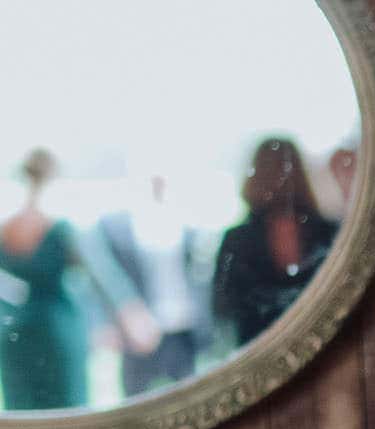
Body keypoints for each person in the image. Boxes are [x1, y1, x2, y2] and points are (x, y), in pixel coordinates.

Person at [0, 148, 159, 411]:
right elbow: (102, 275)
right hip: (58, 329)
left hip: (17, 330)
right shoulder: (62, 227)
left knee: (24, 412)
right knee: (67, 410)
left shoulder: (6, 228)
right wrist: (131, 315)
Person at [213, 137, 338, 348]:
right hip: (275, 353)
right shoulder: (327, 231)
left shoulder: (237, 240)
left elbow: (223, 307)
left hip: (269, 352)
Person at [99, 175, 214, 397]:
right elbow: (108, 277)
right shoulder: (118, 225)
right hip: (140, 331)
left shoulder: (186, 224)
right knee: (136, 402)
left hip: (182, 329)